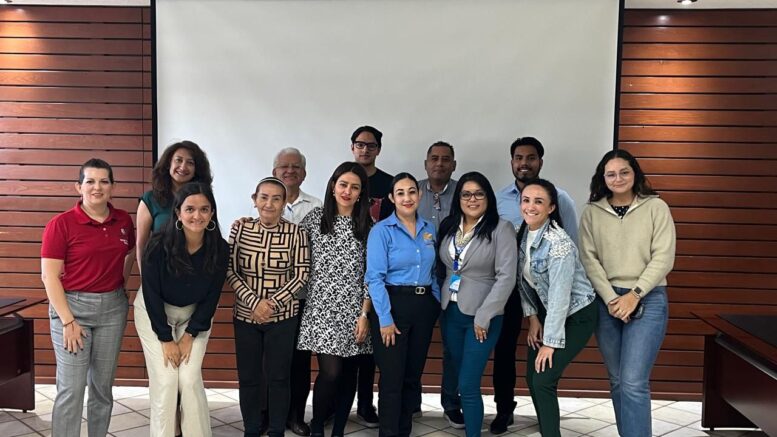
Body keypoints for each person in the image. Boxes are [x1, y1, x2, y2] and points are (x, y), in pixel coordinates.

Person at [579, 150, 676, 437]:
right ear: (603, 178)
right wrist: (611, 298)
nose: (618, 178)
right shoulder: (592, 212)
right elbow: (588, 259)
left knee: (633, 381)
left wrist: (634, 294)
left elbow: (663, 257)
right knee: (618, 380)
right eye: (611, 174)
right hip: (607, 301)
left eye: (624, 172)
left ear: (635, 174)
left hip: (648, 298)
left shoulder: (656, 207)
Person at [41, 158, 135, 437]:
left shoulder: (123, 220)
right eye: (90, 181)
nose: (97, 187)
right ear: (78, 187)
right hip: (72, 310)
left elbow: (129, 253)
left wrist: (123, 283)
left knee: (102, 389)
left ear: (113, 186)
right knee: (71, 389)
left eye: (104, 181)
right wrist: (68, 321)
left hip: (112, 310)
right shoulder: (61, 224)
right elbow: (49, 277)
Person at [491, 136, 577, 434]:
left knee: (545, 351)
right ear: (511, 162)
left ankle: (545, 412)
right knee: (504, 350)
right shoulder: (499, 199)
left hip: (547, 291)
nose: (524, 163)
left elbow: (571, 245)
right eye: (518, 158)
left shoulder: (560, 198)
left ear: (540, 162)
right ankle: (504, 410)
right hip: (509, 288)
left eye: (530, 158)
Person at [134, 182, 229, 437]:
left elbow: (211, 298)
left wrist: (189, 335)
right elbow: (151, 294)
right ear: (178, 212)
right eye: (190, 209)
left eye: (204, 209)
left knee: (188, 379)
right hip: (154, 313)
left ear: (212, 213)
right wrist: (165, 339)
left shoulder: (220, 249)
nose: (197, 215)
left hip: (194, 316)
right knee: (166, 381)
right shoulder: (157, 245)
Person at [228, 177, 310, 437]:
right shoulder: (240, 229)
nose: (269, 204)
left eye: (276, 199)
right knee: (249, 378)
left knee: (279, 378)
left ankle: (276, 430)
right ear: (255, 200)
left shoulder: (297, 233)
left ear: (284, 203)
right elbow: (231, 270)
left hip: (283, 317)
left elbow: (301, 274)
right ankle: (251, 429)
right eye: (263, 197)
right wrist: (254, 303)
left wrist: (271, 304)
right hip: (245, 315)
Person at [437, 172, 517, 436]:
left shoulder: (501, 228)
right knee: (456, 371)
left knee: (468, 384)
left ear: (488, 197)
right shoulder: (450, 226)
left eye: (479, 194)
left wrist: (485, 315)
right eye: (466, 194)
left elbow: (506, 277)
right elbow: (444, 267)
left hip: (483, 317)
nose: (472, 199)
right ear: (458, 198)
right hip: (451, 312)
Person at [297, 162, 373, 437]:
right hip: (321, 309)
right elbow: (289, 242)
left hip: (354, 311)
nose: (347, 191)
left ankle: (338, 429)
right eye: (343, 185)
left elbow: (372, 275)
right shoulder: (315, 219)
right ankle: (318, 424)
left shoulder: (368, 226)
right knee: (330, 372)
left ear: (361, 193)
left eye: (354, 187)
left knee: (349, 373)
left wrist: (364, 315)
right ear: (333, 186)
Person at [516, 179, 597, 437]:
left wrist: (550, 343)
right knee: (533, 379)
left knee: (543, 380)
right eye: (526, 200)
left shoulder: (559, 243)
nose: (530, 206)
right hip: (547, 312)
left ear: (551, 208)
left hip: (577, 315)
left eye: (538, 202)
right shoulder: (523, 233)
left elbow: (560, 296)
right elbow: (523, 282)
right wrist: (533, 319)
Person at [366, 173, 441, 437]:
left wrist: (436, 302)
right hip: (392, 305)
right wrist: (385, 318)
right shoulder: (381, 231)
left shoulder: (430, 228)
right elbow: (374, 278)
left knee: (412, 377)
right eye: (400, 193)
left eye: (411, 191)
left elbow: (435, 270)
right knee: (392, 377)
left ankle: (404, 431)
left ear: (419, 195)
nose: (407, 198)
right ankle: (388, 432)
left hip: (423, 306)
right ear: (392, 198)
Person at [273, 147, 323, 436]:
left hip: (303, 296)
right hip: (268, 298)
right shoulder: (264, 202)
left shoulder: (317, 207)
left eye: (296, 167)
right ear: (275, 171)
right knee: (271, 361)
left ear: (304, 173)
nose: (290, 170)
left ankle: (296, 416)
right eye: (284, 166)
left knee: (299, 361)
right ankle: (269, 416)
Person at [349, 125, 388, 426]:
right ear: (352, 147)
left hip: (377, 271)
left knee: (369, 348)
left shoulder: (388, 183)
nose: (365, 149)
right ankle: (338, 405)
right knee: (344, 347)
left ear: (378, 149)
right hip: (345, 275)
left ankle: (365, 404)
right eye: (360, 144)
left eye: (370, 145)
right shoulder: (344, 177)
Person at [136, 140, 213, 271]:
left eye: (190, 163)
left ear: (197, 169)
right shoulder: (150, 199)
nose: (183, 167)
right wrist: (145, 277)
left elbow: (211, 237)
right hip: (159, 273)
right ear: (168, 164)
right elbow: (141, 245)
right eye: (178, 160)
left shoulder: (204, 198)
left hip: (196, 272)